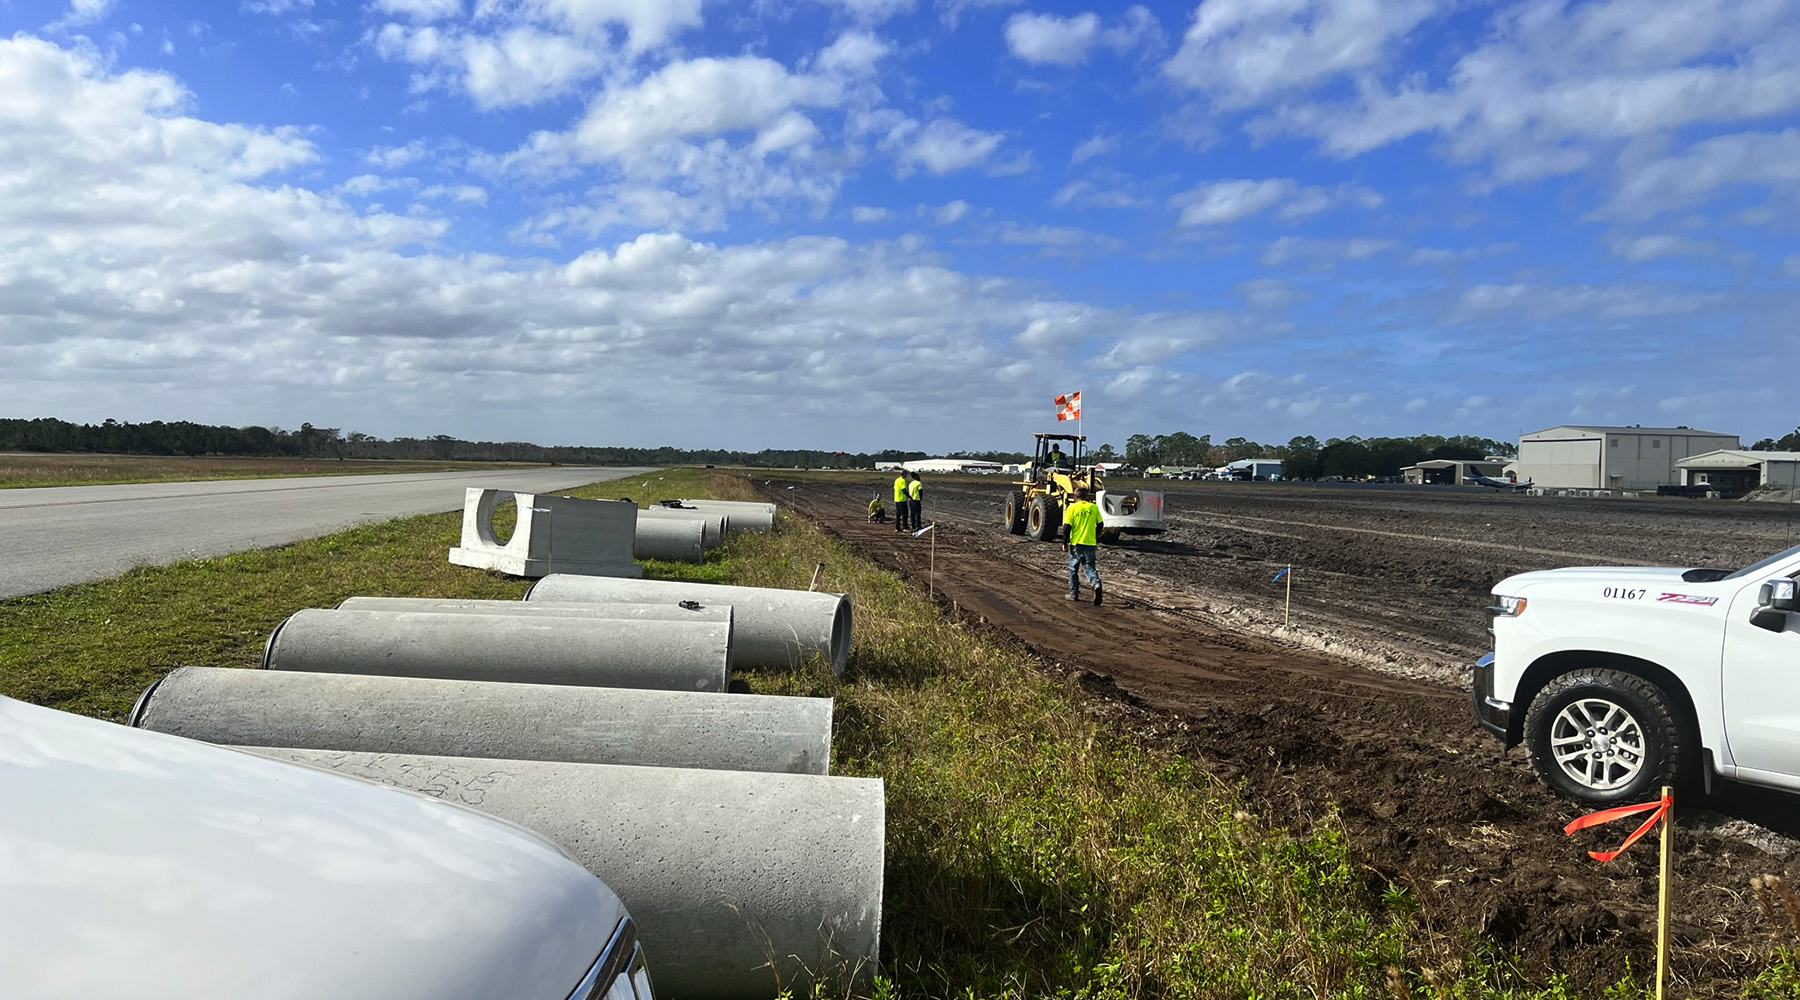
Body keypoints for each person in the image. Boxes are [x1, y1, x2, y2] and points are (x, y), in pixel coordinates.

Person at [1063, 487, 1103, 605]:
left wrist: (1064, 542)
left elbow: (1067, 527)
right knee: (1090, 568)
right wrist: (1094, 535)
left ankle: (1074, 593)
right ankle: (1096, 584)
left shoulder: (1072, 508)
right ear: (1087, 496)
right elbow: (1100, 524)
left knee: (1073, 569)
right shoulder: (1093, 507)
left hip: (1076, 544)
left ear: (1075, 497)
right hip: (1090, 543)